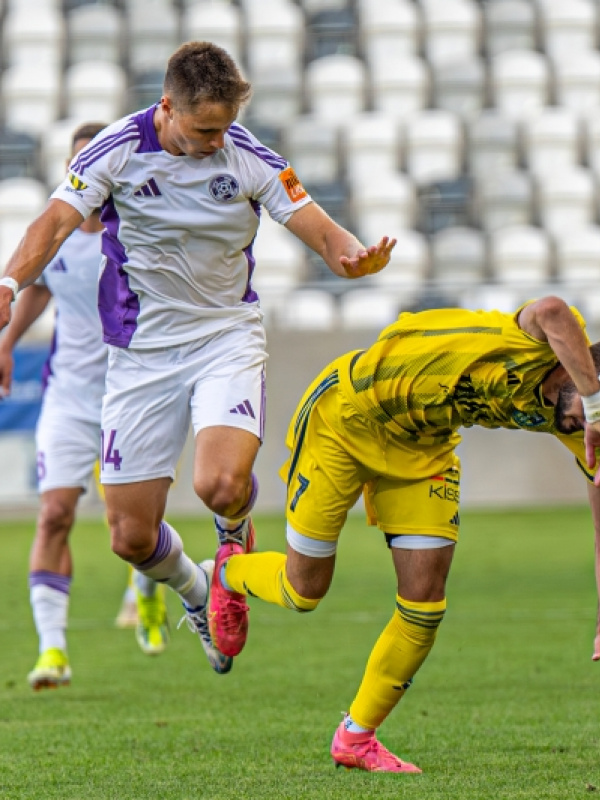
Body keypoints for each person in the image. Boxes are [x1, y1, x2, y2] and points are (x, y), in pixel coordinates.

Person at [0, 42, 395, 676]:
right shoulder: (116, 150)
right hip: (141, 354)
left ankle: (232, 552)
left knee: (220, 484)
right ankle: (194, 587)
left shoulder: (247, 155)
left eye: (225, 126)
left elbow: (317, 224)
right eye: (204, 128)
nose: (217, 141)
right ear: (168, 107)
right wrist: (9, 284)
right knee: (130, 537)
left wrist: (350, 256)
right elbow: (50, 223)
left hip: (224, 338)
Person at [207, 296, 600, 773]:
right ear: (591, 377)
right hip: (348, 415)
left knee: (425, 601)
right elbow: (551, 310)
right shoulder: (538, 344)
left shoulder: (581, 430)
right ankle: (228, 570)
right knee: (304, 590)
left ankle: (356, 736)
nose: (596, 427)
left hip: (423, 446)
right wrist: (595, 405)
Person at [0, 124, 168, 690]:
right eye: (77, 162)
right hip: (68, 396)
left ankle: (145, 592)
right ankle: (53, 652)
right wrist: (5, 342)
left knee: (134, 529)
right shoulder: (59, 237)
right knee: (54, 514)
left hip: (133, 395)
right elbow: (41, 287)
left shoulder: (140, 232)